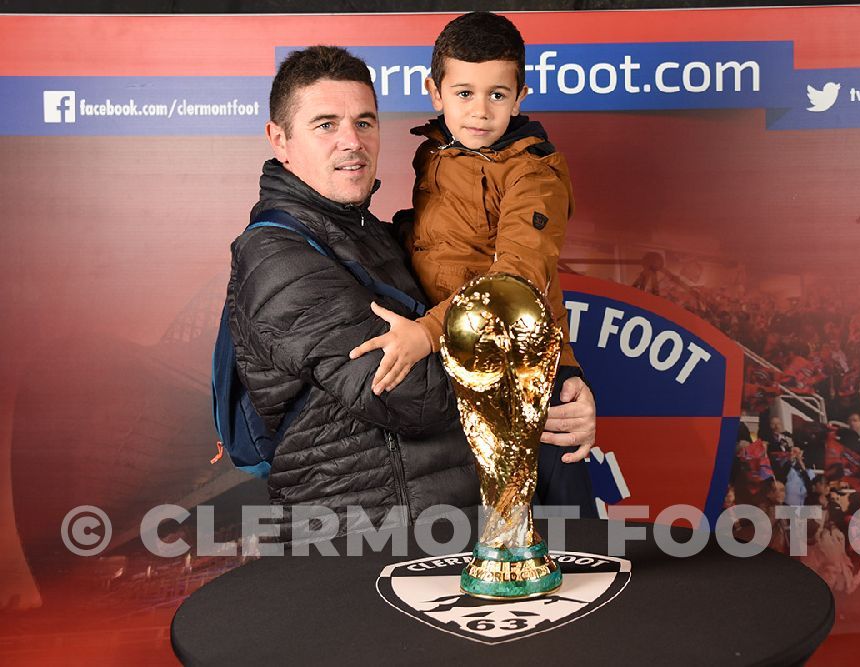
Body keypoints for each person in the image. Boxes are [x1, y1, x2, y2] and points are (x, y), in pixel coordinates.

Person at [226, 45, 597, 540]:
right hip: (359, 543)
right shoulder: (276, 259)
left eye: (364, 122)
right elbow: (412, 395)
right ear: (279, 140)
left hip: (435, 530)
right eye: (325, 125)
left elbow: (514, 289)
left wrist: (566, 381)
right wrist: (540, 389)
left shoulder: (380, 236)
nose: (351, 142)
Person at [349, 12, 597, 516]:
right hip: (459, 374)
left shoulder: (534, 170)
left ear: (520, 96)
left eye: (497, 95)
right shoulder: (437, 150)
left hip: (521, 370)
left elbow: (518, 281)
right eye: (464, 93)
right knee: (475, 535)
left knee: (564, 535)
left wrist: (427, 332)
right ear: (435, 93)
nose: (480, 112)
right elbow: (442, 240)